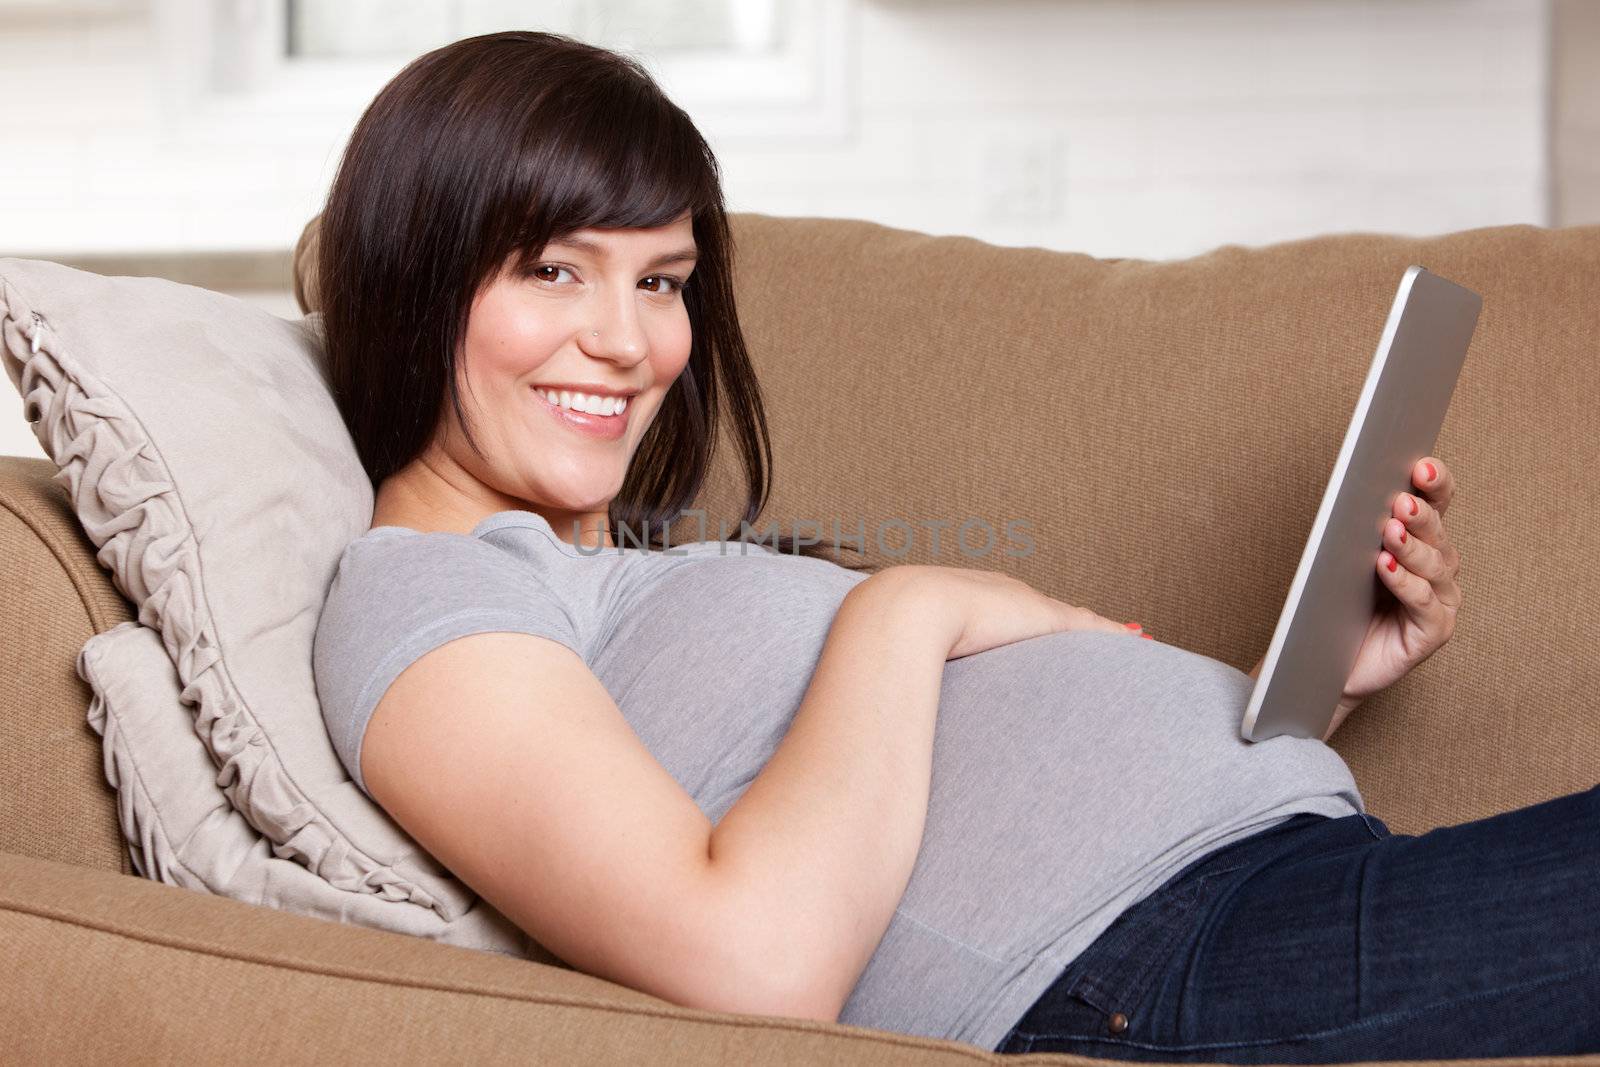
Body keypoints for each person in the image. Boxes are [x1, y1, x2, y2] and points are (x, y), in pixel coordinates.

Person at [309, 29, 1600, 1061]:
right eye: (554, 270)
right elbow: (756, 968)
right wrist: (909, 610)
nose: (628, 340)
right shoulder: (425, 595)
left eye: (660, 280)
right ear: (414, 274)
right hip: (1159, 957)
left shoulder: (638, 570)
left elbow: (953, 804)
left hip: (1271, 883)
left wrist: (1315, 682)